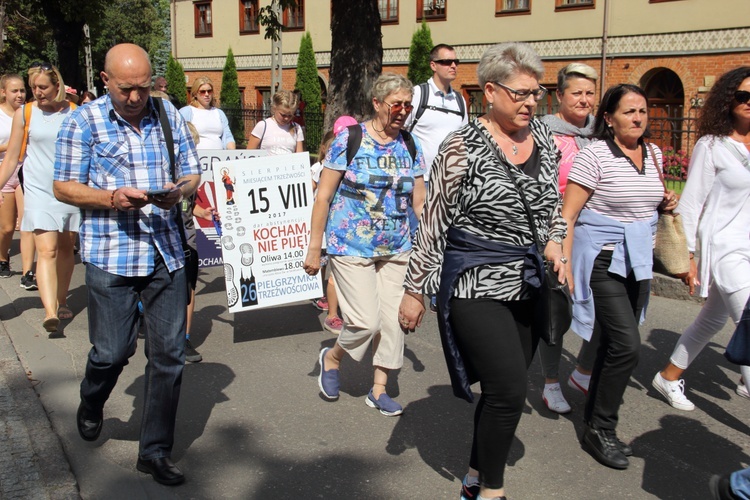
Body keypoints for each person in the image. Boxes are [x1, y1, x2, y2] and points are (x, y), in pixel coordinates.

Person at [400, 42, 566, 500]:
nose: (532, 102)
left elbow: (552, 206)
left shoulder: (545, 141)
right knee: (511, 389)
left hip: (528, 282)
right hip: (474, 280)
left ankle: (475, 476)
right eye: (522, 93)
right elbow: (434, 222)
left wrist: (555, 245)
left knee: (499, 392)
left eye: (538, 93)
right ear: (490, 91)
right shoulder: (462, 145)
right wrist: (415, 290)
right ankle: (492, 492)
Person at [53, 43, 201, 486]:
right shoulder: (83, 120)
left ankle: (154, 452)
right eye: (125, 89)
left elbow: (193, 171)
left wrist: (181, 191)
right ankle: (92, 399)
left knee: (169, 356)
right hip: (111, 253)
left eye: (142, 88)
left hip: (166, 253)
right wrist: (110, 199)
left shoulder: (167, 113)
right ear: (105, 80)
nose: (136, 98)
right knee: (112, 352)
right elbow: (63, 187)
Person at [562, 83, 677, 470]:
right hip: (601, 261)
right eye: (629, 112)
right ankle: (601, 429)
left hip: (638, 261)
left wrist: (664, 200)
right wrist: (565, 262)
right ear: (608, 119)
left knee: (615, 343)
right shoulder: (593, 155)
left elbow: (647, 198)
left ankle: (595, 421)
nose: (638, 118)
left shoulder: (655, 154)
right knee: (627, 346)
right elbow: (569, 215)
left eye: (642, 111)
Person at [304, 72, 427, 417]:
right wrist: (316, 246)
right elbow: (324, 196)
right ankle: (332, 358)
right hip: (350, 243)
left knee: (392, 322)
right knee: (364, 322)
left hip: (397, 246)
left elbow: (420, 200)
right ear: (377, 104)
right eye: (396, 105)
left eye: (408, 105)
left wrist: (435, 233)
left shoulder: (411, 144)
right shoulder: (350, 139)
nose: (403, 111)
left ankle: (379, 390)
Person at [652, 67, 750, 411]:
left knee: (713, 319)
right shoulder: (712, 146)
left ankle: (667, 375)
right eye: (743, 96)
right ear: (729, 100)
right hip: (725, 250)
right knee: (749, 325)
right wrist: (687, 256)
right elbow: (691, 203)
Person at [536, 62, 599, 413]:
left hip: (597, 232)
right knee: (557, 306)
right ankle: (550, 382)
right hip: (555, 227)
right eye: (577, 92)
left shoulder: (602, 132)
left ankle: (584, 371)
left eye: (590, 93)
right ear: (559, 95)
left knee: (604, 305)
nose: (584, 99)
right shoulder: (543, 131)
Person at [0, 63, 80, 333]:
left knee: (66, 247)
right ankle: (49, 312)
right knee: (46, 250)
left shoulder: (74, 112)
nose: (37, 92)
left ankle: (60, 299)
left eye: (42, 87)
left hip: (67, 188)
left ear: (57, 85)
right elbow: (12, 156)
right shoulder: (25, 112)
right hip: (37, 187)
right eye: (33, 87)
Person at [404, 43, 468, 312]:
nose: (452, 66)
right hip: (423, 179)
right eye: (446, 62)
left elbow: (465, 139)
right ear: (433, 65)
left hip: (451, 182)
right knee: (420, 236)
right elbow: (401, 131)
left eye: (455, 61)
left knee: (446, 236)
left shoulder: (460, 100)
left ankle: (437, 291)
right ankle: (412, 291)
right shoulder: (419, 94)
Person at [179, 94, 229, 362]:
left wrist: (202, 211)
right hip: (161, 237)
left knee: (188, 288)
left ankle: (183, 340)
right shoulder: (160, 167)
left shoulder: (192, 170)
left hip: (186, 236)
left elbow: (189, 204)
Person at [0, 73, 36, 288]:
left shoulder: (28, 113)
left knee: (26, 224)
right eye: (15, 91)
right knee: (5, 228)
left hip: (25, 172)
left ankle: (27, 273)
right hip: (4, 172)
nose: (20, 95)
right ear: (3, 92)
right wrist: (13, 145)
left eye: (22, 90)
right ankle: (3, 258)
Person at [309, 129, 342, 335]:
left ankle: (334, 310)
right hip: (322, 222)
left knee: (336, 270)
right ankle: (318, 292)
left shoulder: (344, 169)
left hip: (337, 225)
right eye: (331, 149)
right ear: (323, 149)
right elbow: (308, 189)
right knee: (321, 263)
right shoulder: (317, 168)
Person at [179, 77, 236, 150]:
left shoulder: (219, 113)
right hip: (197, 158)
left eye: (209, 91)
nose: (206, 94)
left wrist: (232, 153)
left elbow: (228, 136)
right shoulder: (186, 112)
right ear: (195, 94)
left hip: (219, 158)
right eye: (202, 91)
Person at [247, 90, 304, 155]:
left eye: (290, 115)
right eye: (283, 115)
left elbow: (299, 156)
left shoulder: (297, 128)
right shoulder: (263, 126)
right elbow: (249, 154)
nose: (286, 118)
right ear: (274, 108)